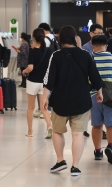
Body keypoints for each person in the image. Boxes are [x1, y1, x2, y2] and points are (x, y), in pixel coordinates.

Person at [43, 25, 103, 176]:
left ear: (60, 39)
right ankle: (75, 167)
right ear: (75, 38)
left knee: (57, 131)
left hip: (59, 101)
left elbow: (49, 80)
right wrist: (99, 92)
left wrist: (44, 98)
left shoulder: (56, 56)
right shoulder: (85, 55)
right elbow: (95, 77)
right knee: (78, 134)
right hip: (81, 101)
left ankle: (60, 160)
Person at [90, 35, 112, 164]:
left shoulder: (90, 59)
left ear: (93, 46)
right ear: (106, 46)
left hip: (93, 95)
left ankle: (98, 151)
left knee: (97, 125)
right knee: (111, 124)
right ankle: (110, 146)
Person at [22, 28, 53, 139]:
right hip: (44, 83)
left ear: (34, 38)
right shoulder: (49, 51)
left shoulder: (33, 51)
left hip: (33, 82)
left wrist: (24, 71)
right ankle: (49, 126)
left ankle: (30, 131)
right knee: (44, 107)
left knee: (30, 107)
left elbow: (30, 67)